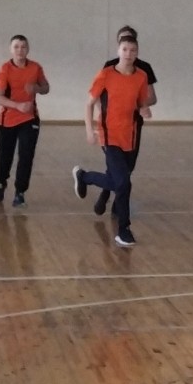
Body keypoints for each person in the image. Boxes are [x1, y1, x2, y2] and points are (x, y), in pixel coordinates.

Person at [74, 35, 153, 247]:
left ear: (137, 53)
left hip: (130, 136)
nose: (128, 54)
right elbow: (89, 103)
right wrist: (89, 130)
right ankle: (124, 229)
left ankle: (84, 177)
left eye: (133, 50)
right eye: (125, 49)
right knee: (123, 183)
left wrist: (144, 110)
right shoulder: (106, 74)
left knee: (118, 180)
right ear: (118, 51)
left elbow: (141, 102)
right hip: (110, 136)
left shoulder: (141, 77)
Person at [94, 25, 161, 209]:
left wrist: (140, 106)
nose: (128, 50)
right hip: (111, 125)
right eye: (123, 42)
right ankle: (107, 194)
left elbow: (151, 98)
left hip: (133, 125)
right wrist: (101, 115)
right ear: (119, 44)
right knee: (116, 164)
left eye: (131, 42)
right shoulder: (109, 67)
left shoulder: (144, 69)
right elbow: (97, 96)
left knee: (127, 167)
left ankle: (115, 199)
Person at [0, 34, 48, 206]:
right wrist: (17, 106)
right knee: (6, 154)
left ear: (28, 49)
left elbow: (46, 87)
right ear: (11, 49)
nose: (20, 50)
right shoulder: (5, 69)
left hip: (29, 118)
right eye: (16, 47)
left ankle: (20, 192)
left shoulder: (35, 68)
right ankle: (1, 182)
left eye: (23, 47)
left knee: (26, 155)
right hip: (7, 119)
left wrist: (37, 88)